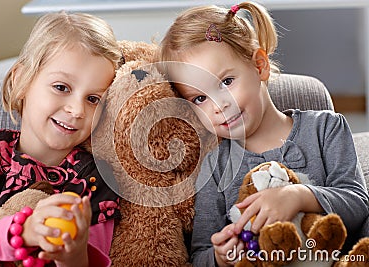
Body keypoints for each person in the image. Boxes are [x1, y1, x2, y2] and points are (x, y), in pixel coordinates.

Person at [158, 2, 369, 266]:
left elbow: (358, 203)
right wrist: (221, 257)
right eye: (200, 98)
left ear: (260, 66)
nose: (218, 105)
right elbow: (200, 253)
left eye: (226, 82)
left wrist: (300, 196)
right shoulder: (214, 167)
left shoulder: (325, 129)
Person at [0, 11, 122, 267]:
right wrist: (23, 232)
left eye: (93, 99)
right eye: (61, 87)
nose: (77, 110)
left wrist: (72, 255)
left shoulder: (96, 180)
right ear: (21, 81)